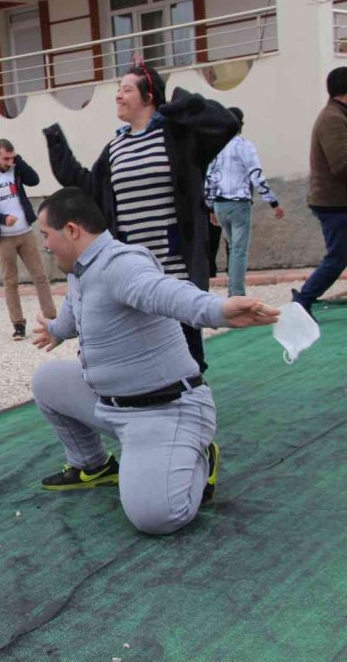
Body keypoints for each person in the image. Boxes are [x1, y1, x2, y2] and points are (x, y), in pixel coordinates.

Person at [30, 188, 279, 535]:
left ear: (72, 230)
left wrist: (218, 310)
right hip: (112, 404)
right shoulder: (80, 271)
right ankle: (93, 466)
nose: (45, 245)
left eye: (46, 234)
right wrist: (55, 331)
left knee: (156, 517)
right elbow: (73, 316)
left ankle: (200, 456)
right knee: (47, 381)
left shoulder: (121, 264)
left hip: (164, 411)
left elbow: (164, 293)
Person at [43, 63, 240, 374]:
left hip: (175, 269)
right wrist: (56, 142)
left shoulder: (178, 136)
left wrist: (180, 103)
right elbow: (88, 187)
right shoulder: (115, 148)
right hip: (131, 276)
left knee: (187, 359)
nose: (118, 96)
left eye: (126, 89)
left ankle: (192, 398)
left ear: (148, 96)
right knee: (135, 354)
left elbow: (227, 122)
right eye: (118, 90)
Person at [0, 138, 57, 340]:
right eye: (6, 158)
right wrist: (2, 219)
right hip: (3, 238)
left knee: (40, 275)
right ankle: (18, 324)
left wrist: (19, 161)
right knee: (10, 281)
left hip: (25, 232)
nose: (9, 162)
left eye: (12, 158)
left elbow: (34, 180)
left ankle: (51, 318)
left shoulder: (16, 168)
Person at [205, 107, 283, 297]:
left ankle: (233, 289)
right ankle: (237, 292)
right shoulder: (245, 146)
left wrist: (211, 207)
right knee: (239, 251)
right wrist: (272, 202)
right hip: (239, 203)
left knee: (233, 247)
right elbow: (256, 175)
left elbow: (210, 179)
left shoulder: (215, 147)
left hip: (220, 204)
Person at [292, 66, 347, 315]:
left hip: (338, 202)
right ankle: (302, 300)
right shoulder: (332, 119)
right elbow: (341, 165)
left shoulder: (339, 115)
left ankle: (303, 299)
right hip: (335, 203)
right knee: (338, 258)